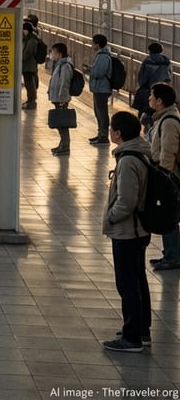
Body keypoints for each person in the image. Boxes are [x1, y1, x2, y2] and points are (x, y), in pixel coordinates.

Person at [103, 111, 152, 353]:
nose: (110, 132)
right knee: (138, 280)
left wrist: (110, 216)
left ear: (118, 133)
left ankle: (132, 337)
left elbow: (127, 200)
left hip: (127, 231)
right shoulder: (139, 154)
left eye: (112, 128)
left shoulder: (128, 161)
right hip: (137, 230)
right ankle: (141, 330)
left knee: (128, 283)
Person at [148, 84, 180, 271]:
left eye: (152, 96)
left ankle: (173, 256)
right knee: (170, 215)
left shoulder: (169, 121)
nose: (149, 99)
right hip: (168, 173)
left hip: (170, 175)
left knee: (169, 216)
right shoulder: (164, 118)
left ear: (160, 101)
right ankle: (170, 253)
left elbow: (168, 151)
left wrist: (163, 176)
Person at [47, 42, 75, 156]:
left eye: (53, 52)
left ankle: (65, 146)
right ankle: (62, 144)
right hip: (57, 97)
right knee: (60, 123)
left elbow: (65, 83)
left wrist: (62, 98)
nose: (52, 54)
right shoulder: (59, 64)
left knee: (62, 123)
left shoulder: (65, 66)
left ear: (59, 53)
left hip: (61, 99)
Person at [133, 43, 172, 119]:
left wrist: (142, 86)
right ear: (161, 51)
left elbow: (142, 78)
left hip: (148, 90)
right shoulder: (166, 62)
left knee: (144, 111)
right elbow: (169, 76)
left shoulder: (148, 61)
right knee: (158, 112)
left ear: (150, 51)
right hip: (162, 91)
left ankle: (146, 128)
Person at [88, 34, 114, 145]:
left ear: (97, 45)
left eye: (93, 43)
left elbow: (99, 72)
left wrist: (90, 71)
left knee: (102, 113)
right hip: (99, 88)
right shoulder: (101, 55)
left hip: (102, 88)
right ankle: (100, 134)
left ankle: (103, 136)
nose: (92, 45)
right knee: (98, 112)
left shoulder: (103, 56)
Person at [21, 22, 40, 109]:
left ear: (27, 30)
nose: (22, 31)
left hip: (29, 66)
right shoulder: (29, 38)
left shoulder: (31, 40)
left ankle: (31, 101)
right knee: (28, 83)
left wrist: (20, 59)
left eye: (23, 30)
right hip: (28, 65)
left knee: (29, 84)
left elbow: (28, 53)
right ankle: (30, 100)